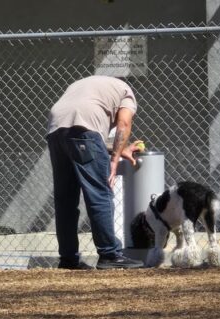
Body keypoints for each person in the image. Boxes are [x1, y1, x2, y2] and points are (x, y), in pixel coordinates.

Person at [46, 75, 146, 270]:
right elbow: (123, 125)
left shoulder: (86, 85)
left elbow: (89, 139)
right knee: (100, 193)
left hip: (55, 130)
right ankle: (109, 254)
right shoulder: (127, 92)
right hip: (83, 126)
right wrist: (115, 160)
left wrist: (119, 149)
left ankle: (68, 259)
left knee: (65, 200)